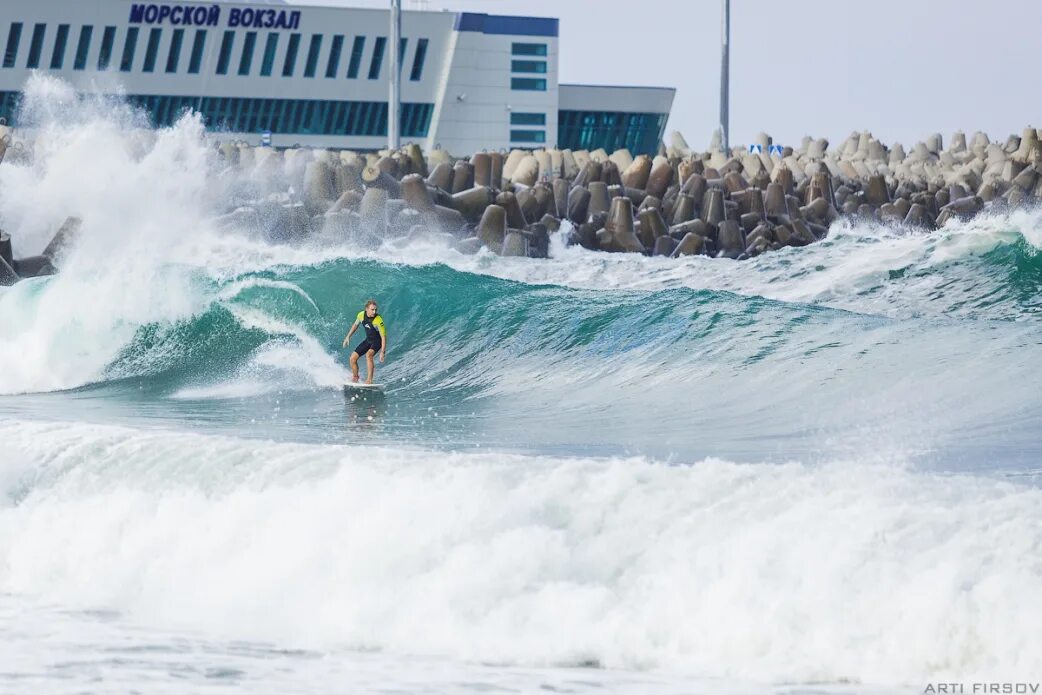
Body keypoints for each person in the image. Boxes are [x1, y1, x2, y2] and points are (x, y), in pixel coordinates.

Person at [342, 299, 387, 384]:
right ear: (366, 309)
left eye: (375, 310)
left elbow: (383, 337)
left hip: (377, 342)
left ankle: (369, 380)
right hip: (368, 340)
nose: (374, 312)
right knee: (352, 358)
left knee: (369, 355)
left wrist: (382, 352)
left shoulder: (378, 320)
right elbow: (355, 325)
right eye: (372, 309)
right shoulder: (361, 315)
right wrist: (348, 337)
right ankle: (355, 377)